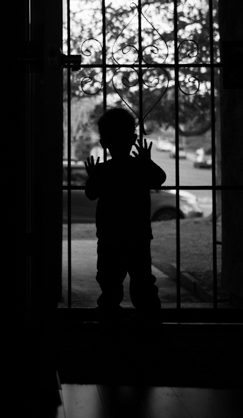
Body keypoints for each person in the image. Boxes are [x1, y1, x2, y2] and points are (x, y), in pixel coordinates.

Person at [84, 107, 166, 327]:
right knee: (142, 281)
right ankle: (148, 318)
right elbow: (159, 179)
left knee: (109, 281)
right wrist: (146, 160)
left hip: (110, 237)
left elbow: (91, 194)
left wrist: (92, 176)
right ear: (133, 139)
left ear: (104, 143)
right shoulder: (139, 168)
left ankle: (109, 318)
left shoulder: (102, 171)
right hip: (137, 235)